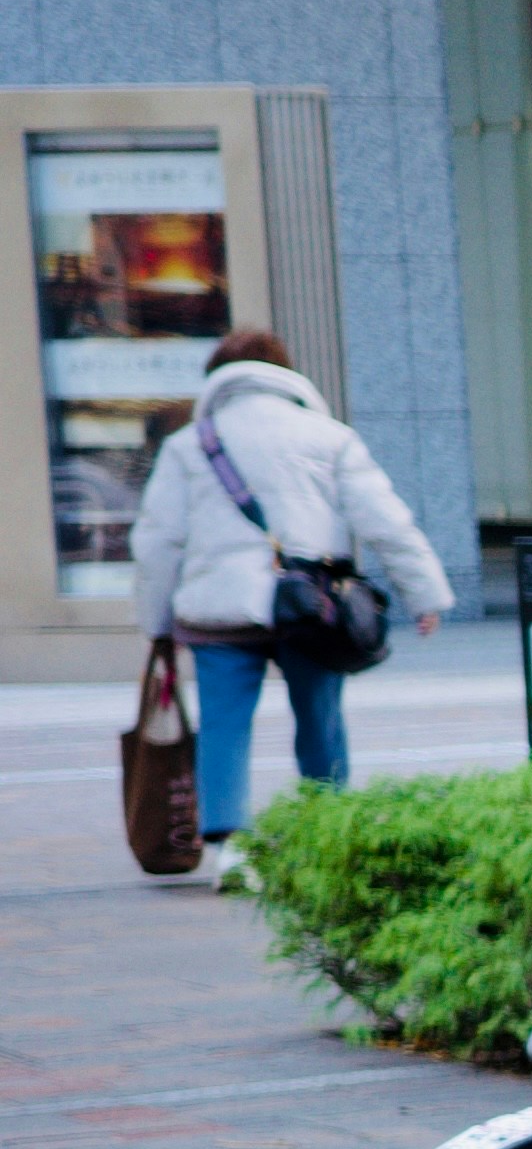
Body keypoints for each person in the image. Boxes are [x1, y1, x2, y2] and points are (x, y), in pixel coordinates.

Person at [138, 330, 446, 865]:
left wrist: (156, 621)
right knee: (320, 717)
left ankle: (231, 851)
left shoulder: (189, 445)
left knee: (223, 725)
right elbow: (386, 522)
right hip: (312, 607)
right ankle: (328, 831)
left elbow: (157, 541)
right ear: (284, 373)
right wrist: (424, 594)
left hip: (218, 610)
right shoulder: (328, 437)